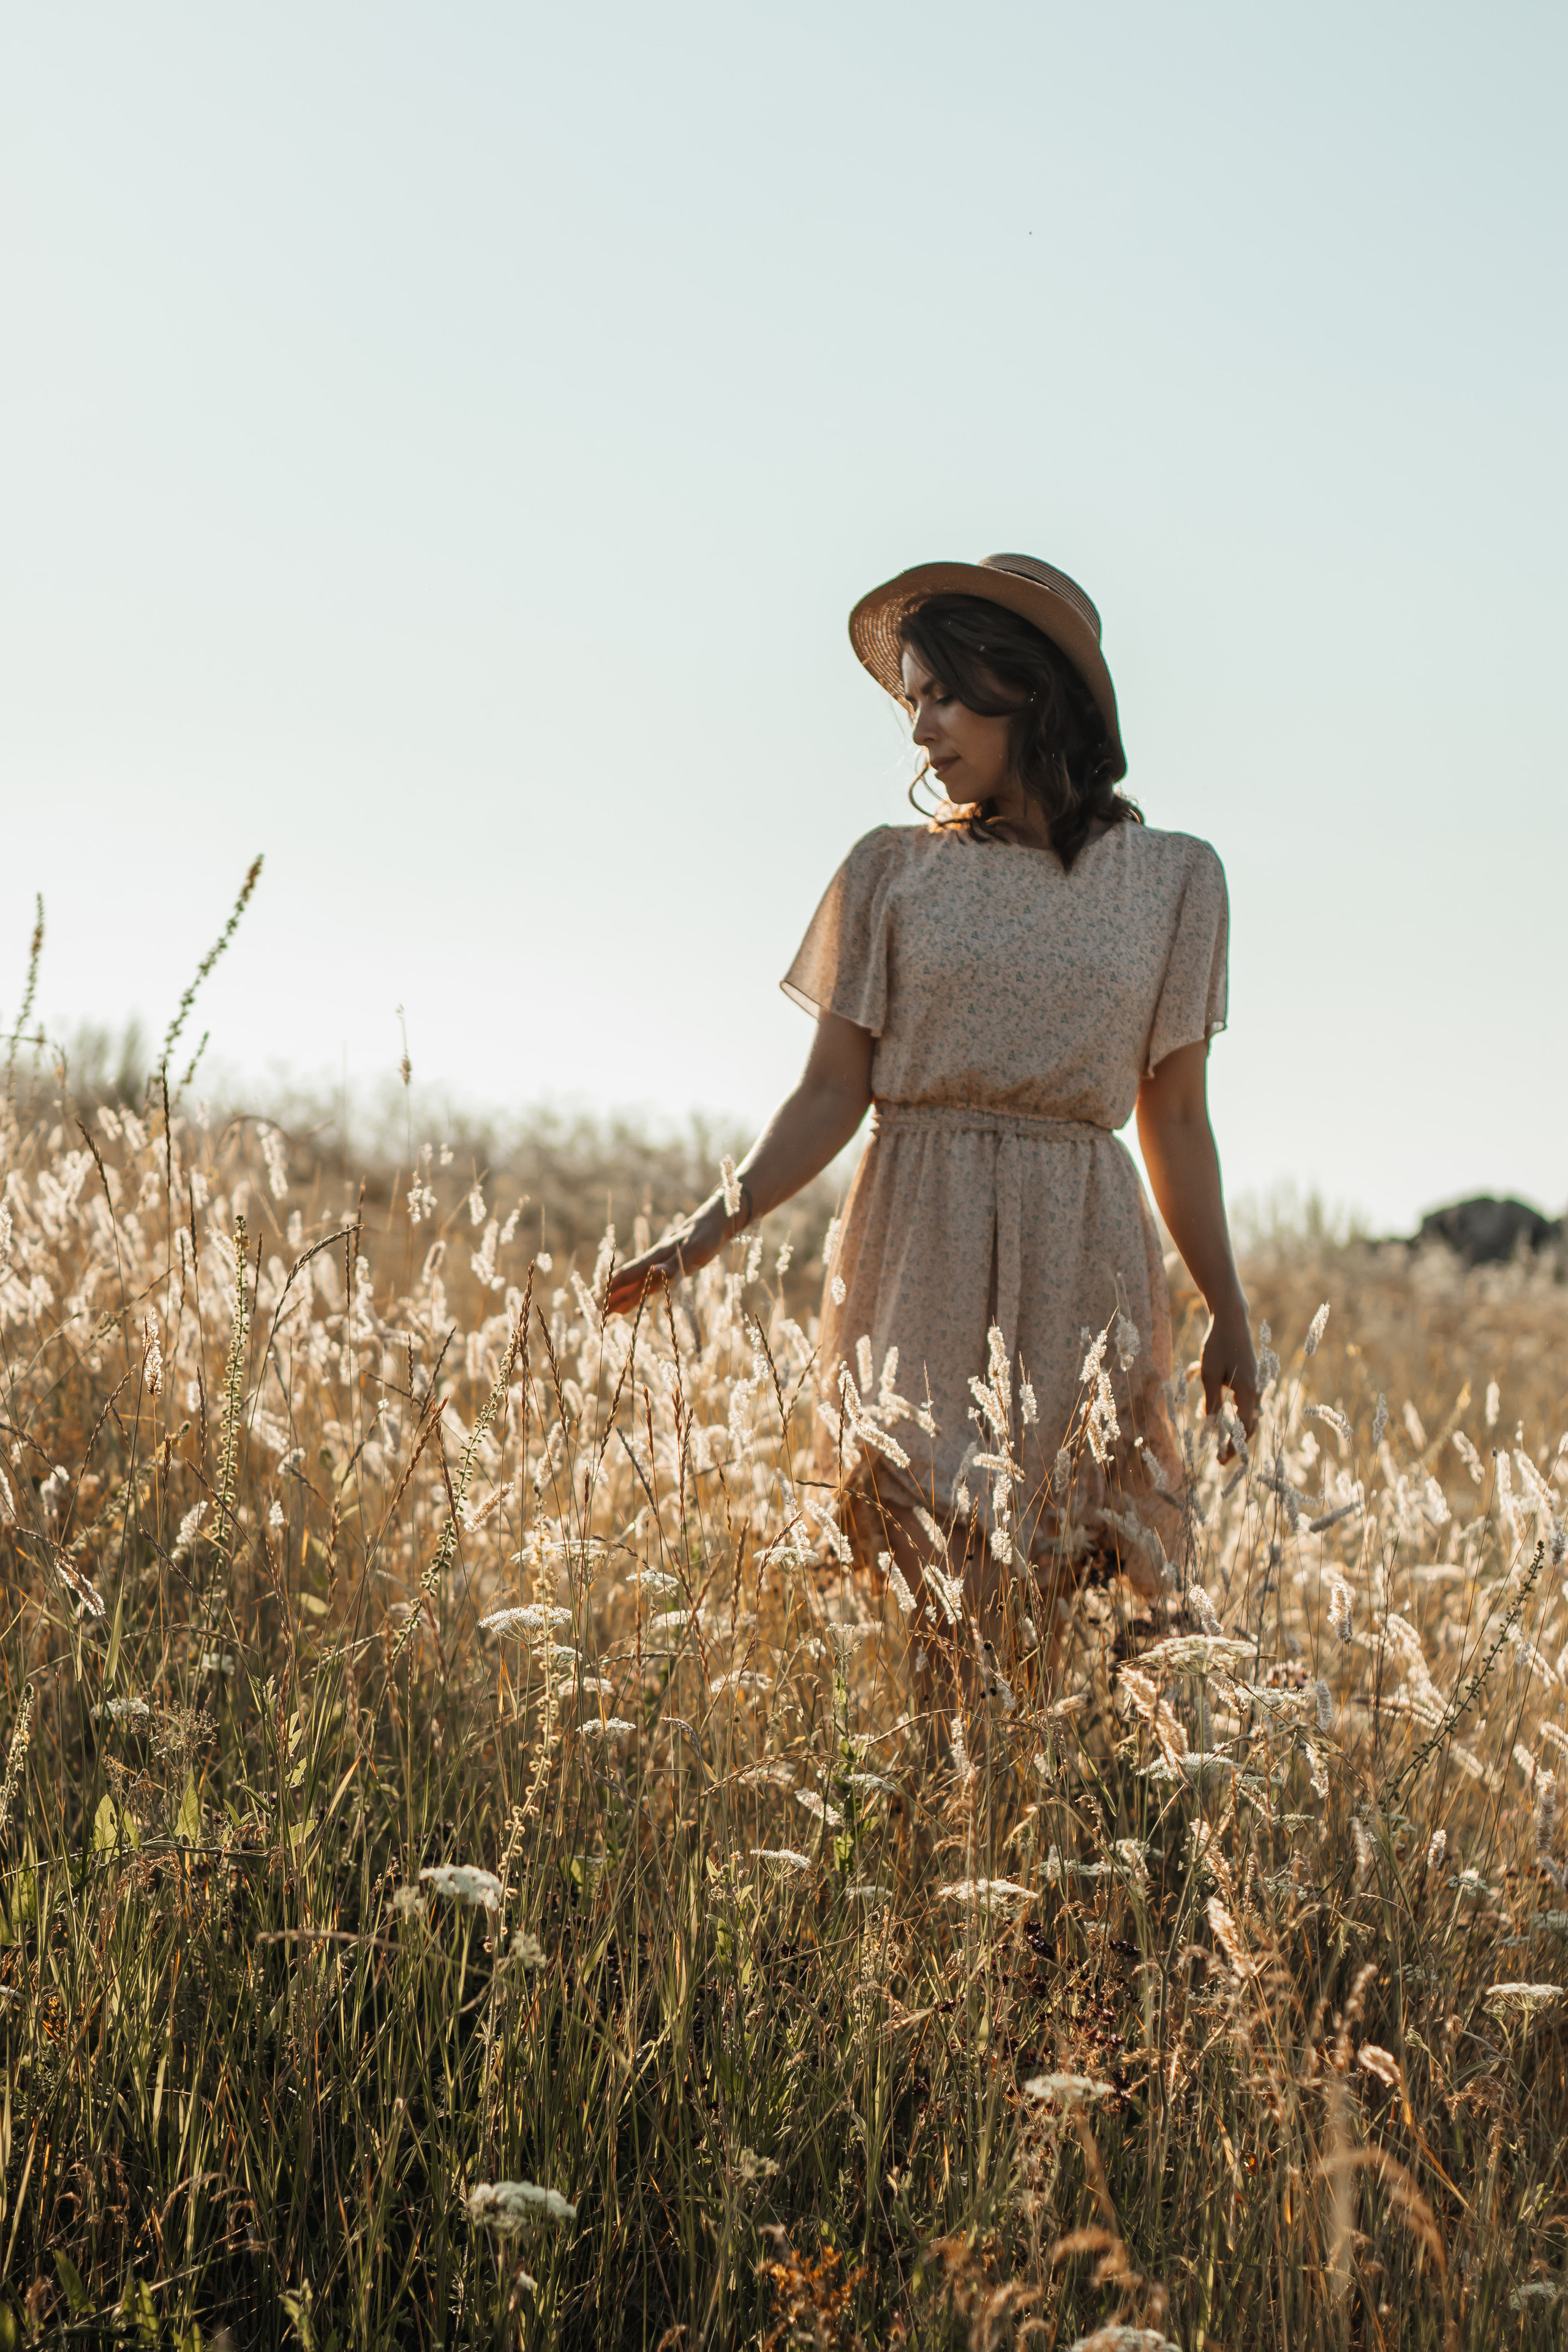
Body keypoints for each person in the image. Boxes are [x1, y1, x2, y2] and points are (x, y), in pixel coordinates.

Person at [603, 552, 1259, 1670]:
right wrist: (705, 1231)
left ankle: (1022, 1781)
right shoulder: (889, 872)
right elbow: (829, 1091)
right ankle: (947, 1780)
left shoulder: (1175, 880)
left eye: (944, 695)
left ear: (1029, 689)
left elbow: (1178, 1121)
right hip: (922, 1243)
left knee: (1045, 1609)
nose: (920, 730)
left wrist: (1228, 1311)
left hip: (1081, 1248)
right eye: (913, 700)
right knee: (940, 1608)